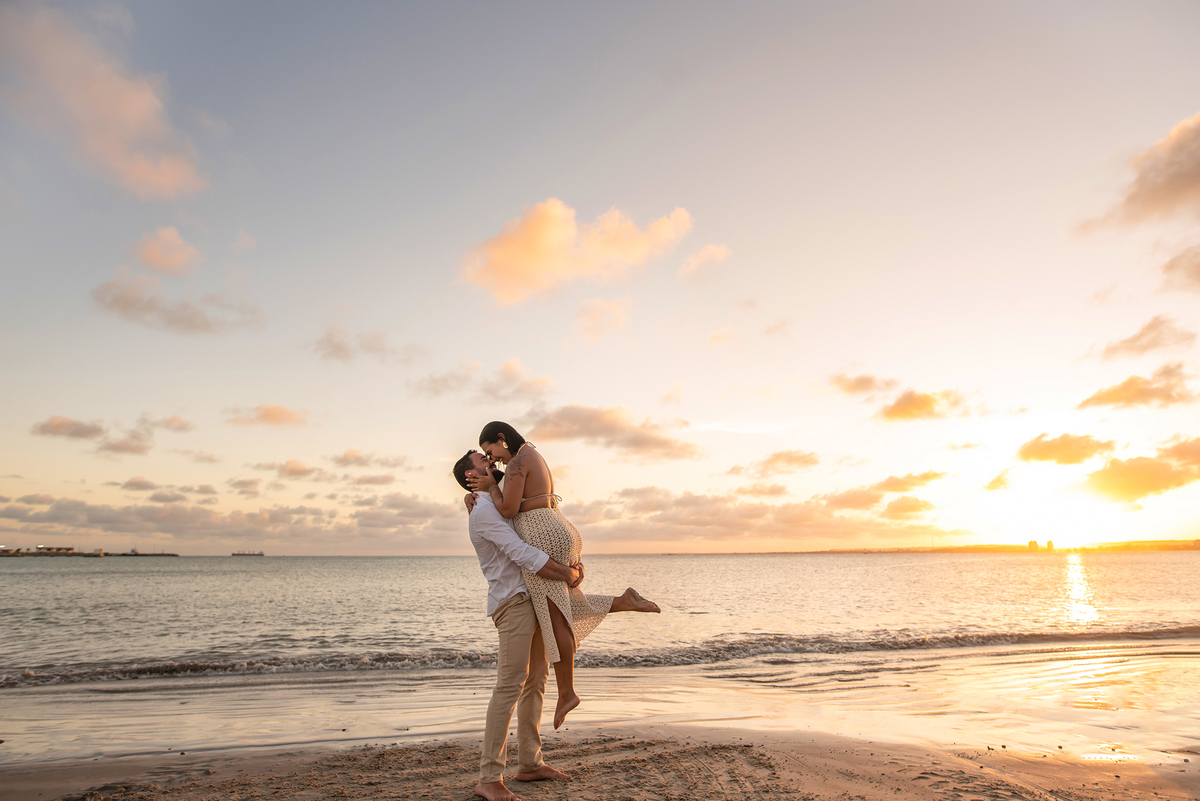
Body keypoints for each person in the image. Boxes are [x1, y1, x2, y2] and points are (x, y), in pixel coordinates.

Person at [465, 421, 660, 731]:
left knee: (557, 618)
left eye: (492, 451)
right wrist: (476, 497)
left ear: (502, 439)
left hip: (543, 532)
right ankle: (621, 602)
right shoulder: (532, 455)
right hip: (558, 525)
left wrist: (489, 488)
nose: (495, 460)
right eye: (487, 457)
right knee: (563, 605)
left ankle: (567, 692)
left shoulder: (517, 461)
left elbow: (509, 509)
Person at [454, 450, 578, 801]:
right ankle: (489, 778)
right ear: (470, 477)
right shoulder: (481, 511)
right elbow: (520, 550)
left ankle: (530, 764)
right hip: (513, 602)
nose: (492, 464)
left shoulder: (498, 497)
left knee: (535, 681)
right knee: (508, 687)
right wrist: (565, 574)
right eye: (483, 462)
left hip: (533, 597)